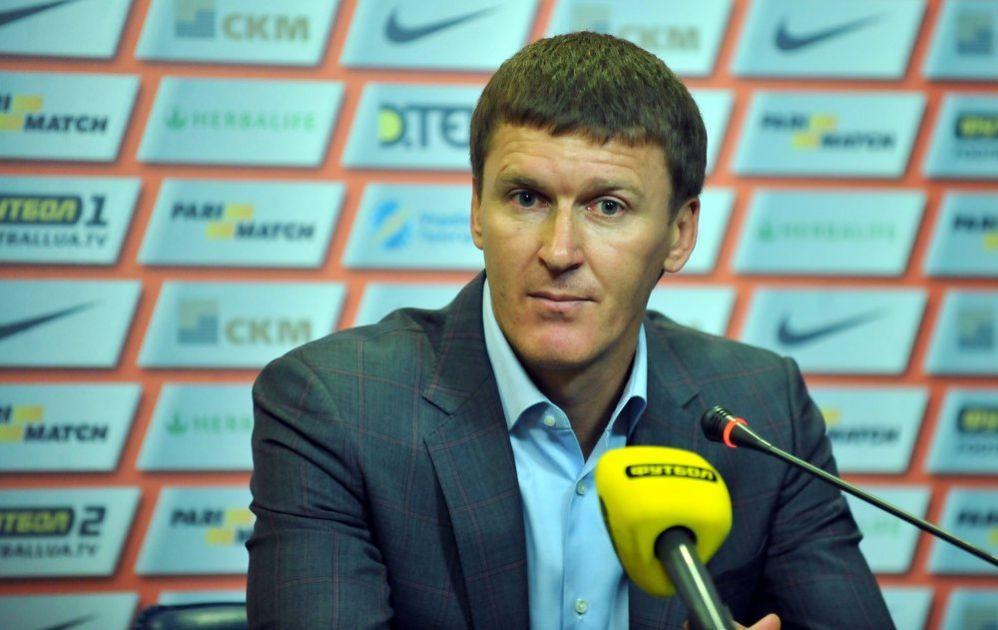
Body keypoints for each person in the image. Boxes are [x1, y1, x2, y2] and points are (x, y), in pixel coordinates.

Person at [246, 32, 891, 629]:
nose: (559, 252)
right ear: (477, 212)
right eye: (526, 198)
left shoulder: (760, 410)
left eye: (608, 206)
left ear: (679, 233)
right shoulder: (339, 407)